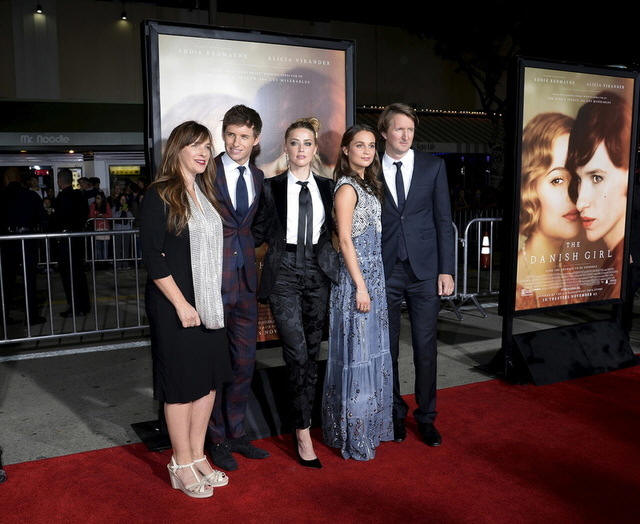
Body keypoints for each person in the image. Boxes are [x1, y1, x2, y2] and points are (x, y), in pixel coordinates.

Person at [140, 120, 232, 498]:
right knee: (180, 386)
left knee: (206, 383)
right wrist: (181, 304)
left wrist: (203, 303)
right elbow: (153, 256)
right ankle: (179, 463)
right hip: (174, 305)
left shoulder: (204, 193)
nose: (203, 153)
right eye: (195, 145)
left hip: (208, 304)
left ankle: (197, 456)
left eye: (207, 147)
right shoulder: (159, 194)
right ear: (177, 148)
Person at [253, 118, 338, 468]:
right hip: (284, 274)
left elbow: (342, 231)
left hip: (318, 273)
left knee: (313, 352)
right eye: (294, 142)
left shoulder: (330, 187)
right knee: (297, 352)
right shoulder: (269, 188)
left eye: (307, 143)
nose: (301, 149)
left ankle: (306, 420)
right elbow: (254, 231)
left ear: (315, 149)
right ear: (285, 148)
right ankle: (302, 432)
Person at [377, 103, 455, 447]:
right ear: (384, 132)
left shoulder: (432, 166)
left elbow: (443, 221)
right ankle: (394, 414)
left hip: (425, 271)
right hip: (386, 269)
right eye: (399, 129)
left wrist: (446, 269)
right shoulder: (370, 167)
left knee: (426, 347)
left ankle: (426, 417)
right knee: (387, 348)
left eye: (410, 129)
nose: (406, 135)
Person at [322, 124, 393, 460]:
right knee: (357, 356)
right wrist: (361, 286)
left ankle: (370, 427)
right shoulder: (347, 188)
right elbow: (346, 240)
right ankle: (354, 435)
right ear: (346, 150)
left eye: (371, 146)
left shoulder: (367, 184)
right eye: (360, 145)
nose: (367, 151)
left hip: (373, 278)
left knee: (371, 352)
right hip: (356, 282)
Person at [207, 105, 269, 471]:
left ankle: (237, 432)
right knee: (216, 365)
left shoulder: (258, 176)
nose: (236, 142)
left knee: (244, 363)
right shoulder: (206, 171)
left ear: (256, 139)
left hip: (246, 282)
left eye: (244, 136)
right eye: (230, 134)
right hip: (212, 280)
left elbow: (254, 225)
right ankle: (215, 439)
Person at [566, 90, 631, 300]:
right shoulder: (613, 264)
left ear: (629, 174)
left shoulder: (619, 270)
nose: (580, 203)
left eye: (597, 178)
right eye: (578, 179)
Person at [516, 113, 581, 310]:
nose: (574, 194)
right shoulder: (517, 282)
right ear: (529, 188)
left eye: (578, 178)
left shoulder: (570, 272)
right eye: (557, 180)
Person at [0, 168, 46, 325]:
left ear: (6, 179)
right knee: (29, 279)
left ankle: (4, 317)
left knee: (6, 281)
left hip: (6, 241)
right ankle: (31, 316)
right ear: (19, 179)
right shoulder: (31, 195)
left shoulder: (2, 196)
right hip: (27, 239)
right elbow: (42, 219)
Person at [53, 168, 90, 318]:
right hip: (78, 238)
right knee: (79, 273)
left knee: (68, 275)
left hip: (66, 238)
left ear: (60, 181)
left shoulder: (61, 197)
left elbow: (58, 219)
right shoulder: (80, 195)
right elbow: (85, 214)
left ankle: (74, 306)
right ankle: (84, 305)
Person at [88, 192, 112, 262]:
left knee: (105, 247)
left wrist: (102, 215)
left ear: (102, 199)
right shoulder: (93, 205)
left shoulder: (106, 204)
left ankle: (105, 262)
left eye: (98, 198)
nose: (97, 199)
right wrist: (97, 215)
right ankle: (99, 262)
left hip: (105, 228)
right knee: (97, 247)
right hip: (97, 228)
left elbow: (110, 215)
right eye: (96, 198)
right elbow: (90, 215)